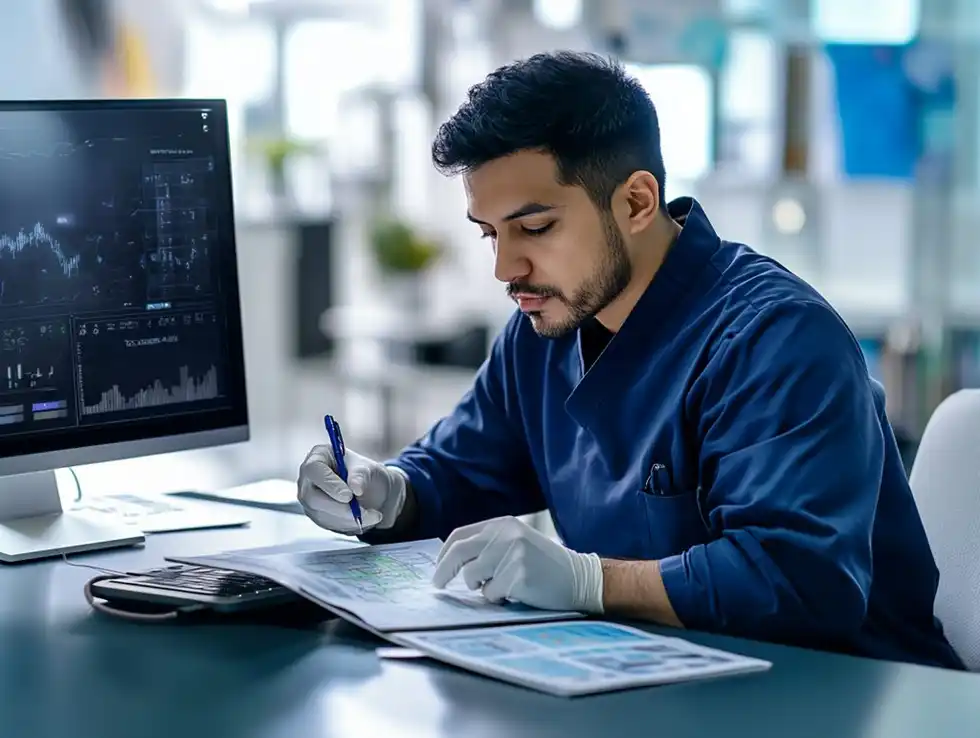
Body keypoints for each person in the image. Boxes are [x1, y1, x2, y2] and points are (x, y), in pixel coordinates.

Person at [297, 50, 965, 670]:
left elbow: (798, 581)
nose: (506, 268)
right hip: (665, 683)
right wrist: (387, 491)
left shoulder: (776, 338)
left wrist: (588, 580)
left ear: (637, 202)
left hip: (853, 696)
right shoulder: (543, 332)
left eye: (535, 229)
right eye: (490, 234)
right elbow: (462, 468)